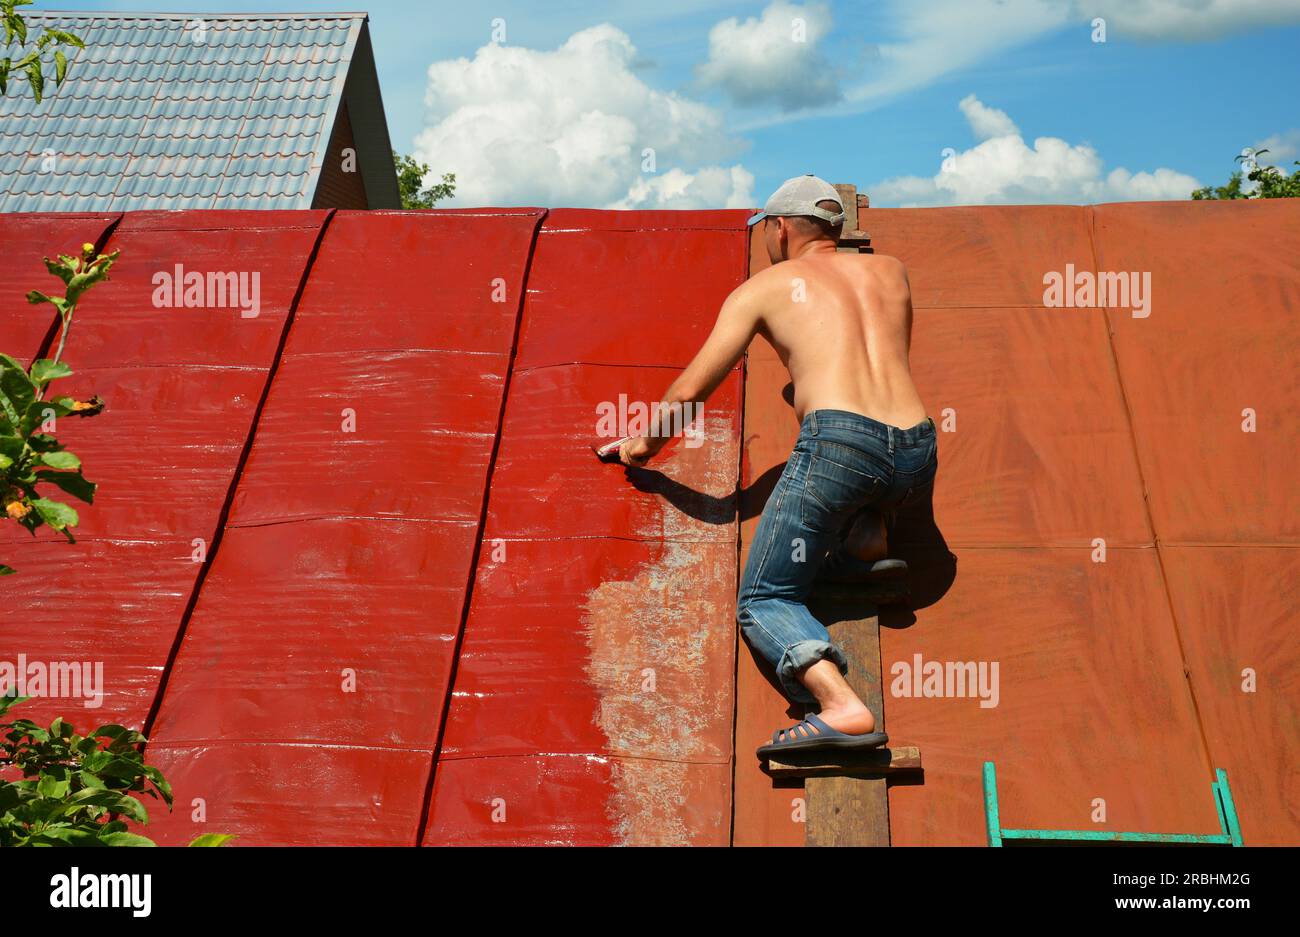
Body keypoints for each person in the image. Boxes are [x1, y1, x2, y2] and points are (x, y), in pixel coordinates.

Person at [615, 174, 937, 758]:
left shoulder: (765, 286)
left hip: (842, 447)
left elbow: (693, 388)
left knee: (764, 598)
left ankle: (839, 707)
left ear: (781, 227)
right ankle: (869, 536)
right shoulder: (892, 271)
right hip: (916, 452)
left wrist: (643, 447)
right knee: (859, 478)